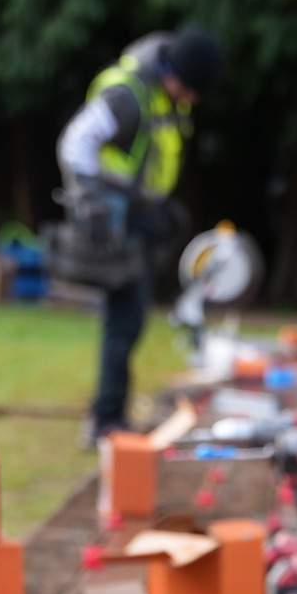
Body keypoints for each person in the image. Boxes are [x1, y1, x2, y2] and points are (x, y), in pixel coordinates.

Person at [55, 26, 223, 444]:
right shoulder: (129, 95)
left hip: (136, 220)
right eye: (193, 90)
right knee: (123, 321)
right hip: (114, 224)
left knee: (128, 321)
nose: (194, 100)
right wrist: (97, 199)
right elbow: (76, 144)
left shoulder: (161, 97)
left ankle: (109, 416)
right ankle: (105, 422)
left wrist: (157, 208)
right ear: (177, 76)